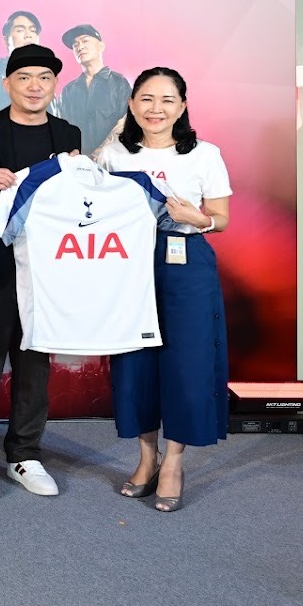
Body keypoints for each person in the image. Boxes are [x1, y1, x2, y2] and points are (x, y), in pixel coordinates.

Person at [96, 67, 230, 513]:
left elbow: (221, 218)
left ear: (183, 106)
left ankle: (173, 462)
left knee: (185, 361)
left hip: (185, 262)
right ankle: (146, 457)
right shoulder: (114, 154)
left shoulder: (204, 154)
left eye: (167, 100)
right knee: (135, 360)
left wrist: (199, 219)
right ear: (132, 104)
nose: (156, 109)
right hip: (127, 263)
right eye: (147, 99)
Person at [0, 43, 81, 500]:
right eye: (25, 77)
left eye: (44, 78)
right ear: (6, 83)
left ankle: (25, 453)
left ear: (55, 85)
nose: (35, 86)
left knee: (34, 366)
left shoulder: (67, 133)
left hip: (45, 272)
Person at [58, 24, 131, 155]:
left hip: (112, 159)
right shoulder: (68, 92)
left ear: (101, 46)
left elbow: (126, 122)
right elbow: (61, 130)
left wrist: (99, 152)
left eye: (85, 40)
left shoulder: (119, 83)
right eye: (75, 45)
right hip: (76, 161)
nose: (80, 47)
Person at [0, 11, 42, 116]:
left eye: (33, 31)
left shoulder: (45, 77)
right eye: (20, 30)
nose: (28, 35)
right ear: (6, 40)